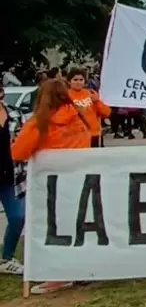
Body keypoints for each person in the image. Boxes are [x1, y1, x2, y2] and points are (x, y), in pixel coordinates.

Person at [12, 79, 92, 295]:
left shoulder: (40, 122)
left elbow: (18, 152)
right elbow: (92, 137)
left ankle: (59, 275)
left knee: (54, 230)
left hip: (52, 185)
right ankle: (83, 270)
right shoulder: (79, 117)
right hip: (81, 180)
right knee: (79, 226)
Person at [0, 89, 24, 275]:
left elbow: (26, 140)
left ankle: (6, 258)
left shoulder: (15, 113)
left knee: (17, 217)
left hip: (11, 176)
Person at [66, 68, 111, 147]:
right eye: (75, 79)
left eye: (81, 79)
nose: (78, 82)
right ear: (69, 82)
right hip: (75, 136)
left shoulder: (91, 94)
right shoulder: (65, 96)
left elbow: (106, 113)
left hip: (93, 134)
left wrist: (97, 101)